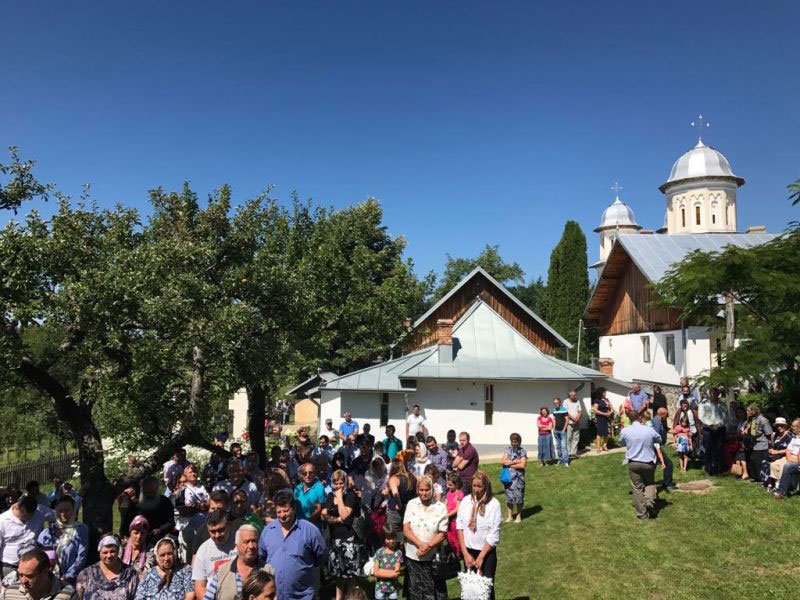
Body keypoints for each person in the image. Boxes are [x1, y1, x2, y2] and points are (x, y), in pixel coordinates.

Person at [258, 490, 326, 600]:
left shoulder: (309, 530)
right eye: (278, 512)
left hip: (303, 596)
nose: (282, 515)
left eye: (285, 511)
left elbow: (321, 556)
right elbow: (262, 556)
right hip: (274, 596)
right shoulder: (267, 531)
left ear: (294, 509)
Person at [457, 471, 501, 600]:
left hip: (486, 553)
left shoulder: (493, 505)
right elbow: (460, 527)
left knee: (485, 589)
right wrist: (465, 554)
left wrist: (481, 557)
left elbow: (494, 534)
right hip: (469, 552)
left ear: (486, 486)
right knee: (471, 588)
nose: (476, 489)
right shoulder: (466, 501)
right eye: (474, 486)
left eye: (479, 486)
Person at [402, 476, 448, 600]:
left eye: (427, 490)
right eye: (421, 490)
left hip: (432, 557)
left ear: (432, 490)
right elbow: (406, 529)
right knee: (415, 591)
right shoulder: (412, 504)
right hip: (413, 555)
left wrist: (428, 546)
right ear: (417, 490)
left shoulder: (440, 507)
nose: (424, 493)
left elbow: (442, 533)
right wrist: (420, 544)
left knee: (432, 591)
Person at [321, 471, 363, 600]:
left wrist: (339, 498)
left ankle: (352, 597)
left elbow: (345, 514)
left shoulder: (350, 496)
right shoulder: (329, 496)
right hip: (335, 540)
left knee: (350, 575)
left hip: (349, 539)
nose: (339, 486)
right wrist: (337, 520)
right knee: (338, 574)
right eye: (336, 483)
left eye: (341, 483)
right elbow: (323, 515)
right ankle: (339, 598)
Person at [619, 410, 666, 519]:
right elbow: (659, 439)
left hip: (634, 462)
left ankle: (642, 513)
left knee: (637, 487)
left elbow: (621, 443)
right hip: (648, 462)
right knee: (649, 483)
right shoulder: (649, 430)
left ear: (630, 419)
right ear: (640, 417)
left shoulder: (625, 431)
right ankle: (649, 502)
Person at [37, 495, 88, 586]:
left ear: (73, 511)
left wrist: (67, 576)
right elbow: (39, 556)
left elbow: (81, 557)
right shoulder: (46, 533)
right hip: (47, 579)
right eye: (60, 511)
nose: (63, 513)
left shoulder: (80, 530)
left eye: (67, 510)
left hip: (69, 580)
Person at [202, 525, 263, 600]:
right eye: (246, 542)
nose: (251, 546)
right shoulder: (222, 572)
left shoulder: (267, 570)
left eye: (254, 541)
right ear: (236, 546)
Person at [0, 495, 56, 579]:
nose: (29, 518)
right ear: (19, 508)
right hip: (10, 567)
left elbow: (61, 513)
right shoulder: (3, 520)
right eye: (26, 515)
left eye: (32, 515)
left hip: (33, 567)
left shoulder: (40, 511)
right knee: (11, 592)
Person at [2, 546, 78, 600]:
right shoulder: (10, 593)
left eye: (29, 576)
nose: (23, 580)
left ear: (45, 572)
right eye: (21, 575)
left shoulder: (68, 594)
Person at [76, 535, 139, 600]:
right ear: (99, 553)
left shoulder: (130, 574)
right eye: (105, 552)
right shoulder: (86, 574)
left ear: (118, 550)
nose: (109, 555)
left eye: (112, 551)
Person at [191, 511, 237, 600]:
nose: (217, 535)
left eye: (221, 530)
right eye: (213, 531)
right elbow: (199, 587)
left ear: (229, 526)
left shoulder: (240, 542)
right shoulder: (203, 550)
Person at [698, 389, 729, 476]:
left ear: (718, 394)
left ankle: (718, 469)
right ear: (709, 393)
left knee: (719, 449)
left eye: (716, 393)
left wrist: (718, 425)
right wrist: (710, 425)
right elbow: (701, 416)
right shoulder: (703, 404)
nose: (714, 394)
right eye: (712, 392)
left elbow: (726, 417)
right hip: (708, 429)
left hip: (720, 429)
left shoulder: (722, 405)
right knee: (708, 449)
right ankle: (708, 469)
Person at [500, 433, 527, 522]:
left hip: (519, 478)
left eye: (515, 442)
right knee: (509, 497)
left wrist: (510, 463)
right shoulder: (507, 449)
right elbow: (503, 462)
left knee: (519, 497)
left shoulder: (522, 451)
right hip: (509, 478)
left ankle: (518, 516)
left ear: (519, 442)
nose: (514, 444)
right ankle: (510, 516)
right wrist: (515, 462)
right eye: (512, 442)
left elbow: (522, 465)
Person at [761, 417, 793, 489]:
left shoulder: (790, 436)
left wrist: (776, 452)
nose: (779, 427)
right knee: (764, 462)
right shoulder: (777, 435)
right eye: (777, 426)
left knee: (772, 463)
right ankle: (769, 483)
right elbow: (774, 445)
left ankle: (776, 484)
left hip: (785, 456)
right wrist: (771, 450)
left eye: (781, 425)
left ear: (785, 426)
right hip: (775, 455)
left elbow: (790, 450)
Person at [744, 404, 773, 483]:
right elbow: (750, 429)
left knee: (758, 461)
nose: (747, 412)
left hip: (762, 444)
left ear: (753, 411)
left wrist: (770, 446)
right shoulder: (751, 420)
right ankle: (755, 477)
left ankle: (761, 479)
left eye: (748, 411)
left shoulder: (763, 420)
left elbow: (769, 434)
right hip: (754, 444)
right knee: (753, 460)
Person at [386, 459, 415, 536]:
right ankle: (402, 546)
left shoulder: (393, 479)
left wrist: (399, 505)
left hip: (396, 511)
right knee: (406, 532)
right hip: (409, 509)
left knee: (394, 534)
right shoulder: (412, 476)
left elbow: (396, 494)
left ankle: (398, 546)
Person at [372, 527, 402, 600]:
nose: (391, 541)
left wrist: (381, 571)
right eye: (388, 538)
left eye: (393, 538)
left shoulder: (398, 553)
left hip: (393, 588)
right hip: (380, 587)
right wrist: (391, 573)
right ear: (384, 539)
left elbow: (396, 574)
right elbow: (375, 573)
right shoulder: (379, 552)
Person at [774, 418, 800, 500]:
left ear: (799, 427)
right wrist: (789, 460)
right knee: (787, 465)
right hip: (793, 458)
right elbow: (788, 449)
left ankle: (781, 492)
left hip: (798, 460)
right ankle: (779, 488)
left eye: (793, 426)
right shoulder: (795, 437)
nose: (792, 428)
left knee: (788, 467)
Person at [650, 407, 675, 490]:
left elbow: (663, 429)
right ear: (663, 415)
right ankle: (667, 484)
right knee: (668, 464)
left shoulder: (657, 420)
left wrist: (671, 430)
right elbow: (655, 436)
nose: (667, 417)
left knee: (653, 466)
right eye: (666, 415)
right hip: (655, 447)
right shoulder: (656, 422)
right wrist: (658, 451)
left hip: (654, 447)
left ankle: (649, 483)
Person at [592, 388, 613, 453]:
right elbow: (595, 410)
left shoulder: (607, 400)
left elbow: (611, 407)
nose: (605, 393)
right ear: (601, 393)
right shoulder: (597, 400)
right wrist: (605, 414)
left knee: (608, 433)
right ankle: (598, 447)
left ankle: (604, 445)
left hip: (607, 418)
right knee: (600, 433)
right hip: (600, 418)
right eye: (604, 392)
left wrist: (610, 412)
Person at [563, 391, 583, 458]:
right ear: (570, 395)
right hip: (569, 423)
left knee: (576, 438)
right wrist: (573, 419)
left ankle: (573, 453)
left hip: (576, 422)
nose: (575, 396)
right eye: (574, 395)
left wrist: (577, 419)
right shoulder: (565, 402)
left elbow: (580, 411)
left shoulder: (577, 401)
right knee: (568, 438)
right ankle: (568, 453)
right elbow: (565, 412)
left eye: (575, 395)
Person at [552, 397, 570, 466]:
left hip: (563, 431)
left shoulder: (564, 410)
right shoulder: (554, 410)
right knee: (558, 447)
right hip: (556, 431)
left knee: (563, 447)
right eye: (555, 403)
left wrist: (564, 429)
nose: (556, 404)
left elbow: (567, 420)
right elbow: (554, 419)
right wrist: (553, 428)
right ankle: (560, 459)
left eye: (557, 403)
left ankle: (566, 461)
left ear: (560, 402)